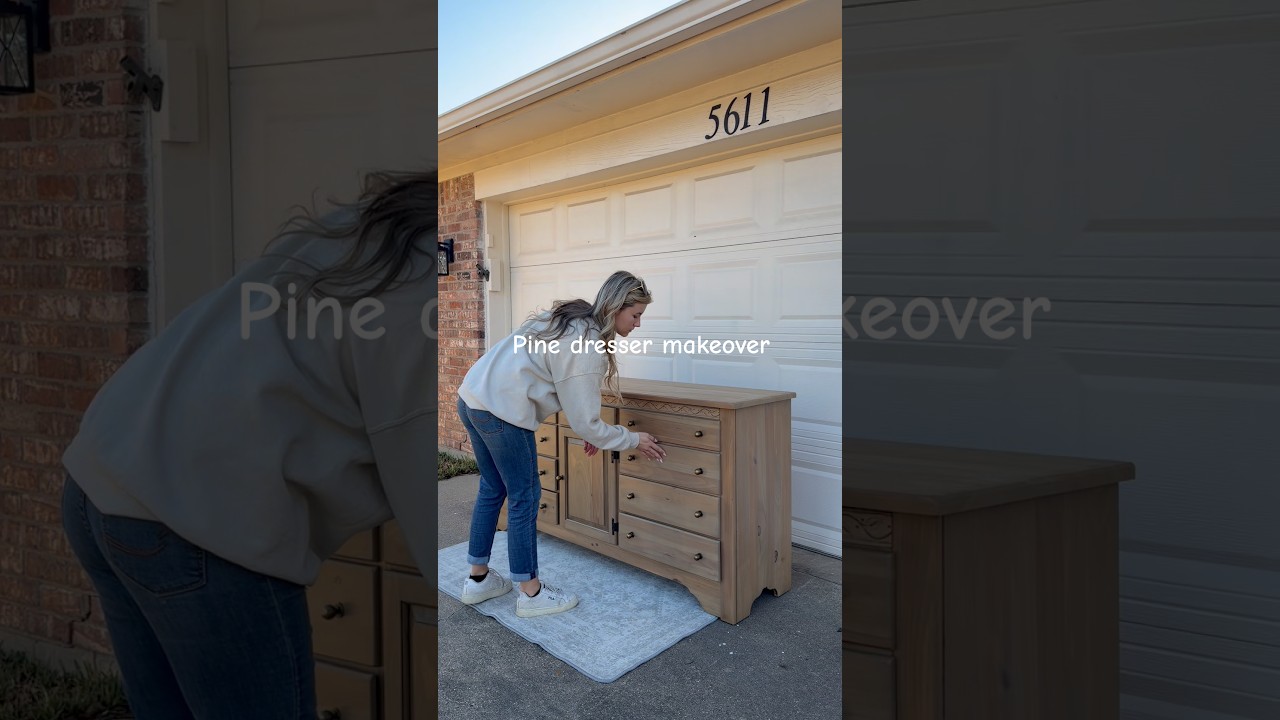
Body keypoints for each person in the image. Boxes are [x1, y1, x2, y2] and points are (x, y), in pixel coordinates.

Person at [59, 171, 437, 719]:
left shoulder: (367, 229)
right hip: (199, 517)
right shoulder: (426, 287)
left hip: (101, 470)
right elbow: (426, 489)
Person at [456, 270, 667, 617]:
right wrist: (632, 439)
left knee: (493, 487)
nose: (638, 324)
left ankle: (478, 580)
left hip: (472, 398)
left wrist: (590, 430)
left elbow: (559, 385)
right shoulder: (587, 344)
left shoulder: (568, 317)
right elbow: (585, 418)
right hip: (501, 412)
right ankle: (531, 593)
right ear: (616, 308)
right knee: (525, 496)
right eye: (636, 315)